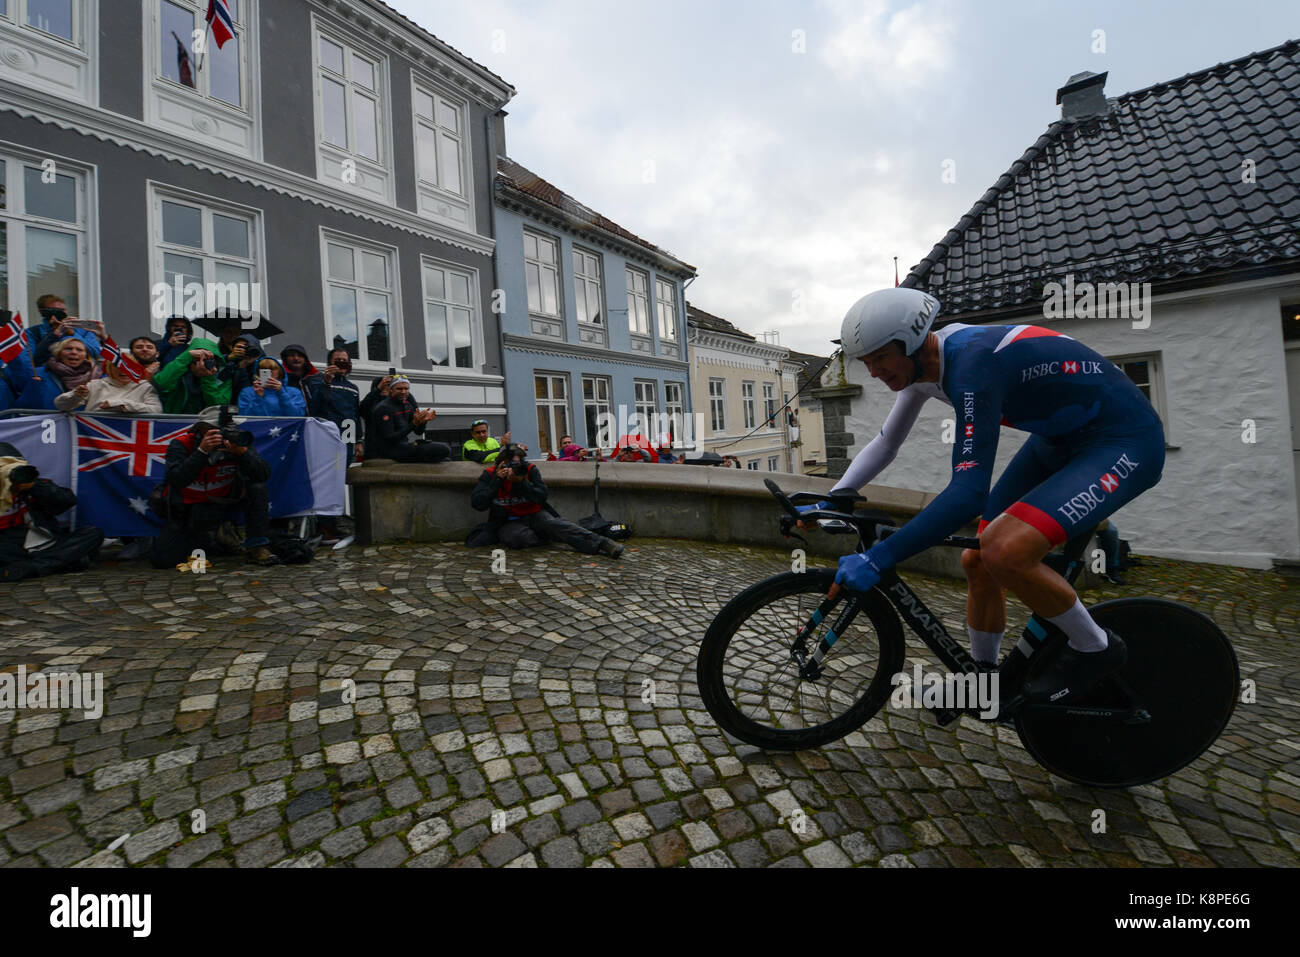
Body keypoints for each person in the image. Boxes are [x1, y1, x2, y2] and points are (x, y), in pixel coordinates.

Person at [809, 287, 1164, 702]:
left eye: (879, 358)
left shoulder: (973, 364)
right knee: (977, 559)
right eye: (866, 362)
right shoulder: (923, 368)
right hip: (1058, 442)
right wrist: (836, 495)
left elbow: (967, 494)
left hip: (1125, 442)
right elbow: (887, 444)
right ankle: (984, 682)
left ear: (911, 341)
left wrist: (878, 557)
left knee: (1004, 550)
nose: (873, 372)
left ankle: (1095, 648)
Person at [150, 408, 278, 568]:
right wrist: (202, 452)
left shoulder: (236, 443)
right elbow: (175, 480)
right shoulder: (182, 444)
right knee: (164, 560)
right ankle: (216, 537)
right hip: (190, 508)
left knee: (257, 488)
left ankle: (257, 547)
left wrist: (242, 453)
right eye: (217, 431)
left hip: (224, 501)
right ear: (202, 429)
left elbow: (262, 474)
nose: (224, 435)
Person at [470, 444, 622, 558]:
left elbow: (541, 496)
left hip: (534, 514)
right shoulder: (490, 475)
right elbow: (478, 503)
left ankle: (603, 543)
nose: (513, 468)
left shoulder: (529, 470)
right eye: (510, 464)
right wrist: (497, 480)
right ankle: (553, 536)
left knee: (555, 524)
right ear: (500, 464)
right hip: (507, 520)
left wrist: (521, 482)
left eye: (517, 464)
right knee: (517, 538)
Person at [0, 442, 104, 583]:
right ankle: (65, 562)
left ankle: (33, 567)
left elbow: (67, 500)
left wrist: (33, 486)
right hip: (8, 546)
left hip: (41, 541)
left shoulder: (30, 483)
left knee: (93, 533)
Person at [369, 375, 451, 463]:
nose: (403, 392)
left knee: (445, 456)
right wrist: (413, 424)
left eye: (406, 389)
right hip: (389, 450)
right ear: (391, 390)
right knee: (443, 449)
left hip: (403, 446)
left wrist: (423, 422)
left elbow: (418, 432)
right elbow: (389, 438)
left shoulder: (407, 405)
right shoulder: (384, 408)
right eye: (399, 389)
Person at [55, 354, 162, 414]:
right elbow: (60, 405)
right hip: (95, 439)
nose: (123, 371)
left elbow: (156, 410)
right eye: (118, 367)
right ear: (109, 369)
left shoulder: (144, 387)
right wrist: (75, 395)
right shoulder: (96, 385)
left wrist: (121, 404)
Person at [18, 336, 102, 410]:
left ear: (86, 356)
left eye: (79, 350)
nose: (74, 352)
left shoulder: (97, 376)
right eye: (68, 349)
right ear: (58, 353)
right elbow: (25, 408)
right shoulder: (39, 374)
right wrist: (33, 388)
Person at [152, 338, 226, 414]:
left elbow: (218, 406)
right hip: (174, 420)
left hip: (205, 422)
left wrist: (208, 378)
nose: (200, 363)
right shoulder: (177, 371)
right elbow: (160, 384)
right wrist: (186, 357)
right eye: (197, 359)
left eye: (206, 360)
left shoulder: (221, 377)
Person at [29, 294, 102, 359]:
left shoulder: (83, 330)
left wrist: (72, 334)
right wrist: (54, 335)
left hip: (82, 372)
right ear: (43, 312)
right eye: (55, 310)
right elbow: (34, 360)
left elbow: (95, 355)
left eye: (63, 310)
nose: (61, 313)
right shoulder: (33, 332)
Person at [237, 357, 306, 416]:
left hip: (287, 430)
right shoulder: (247, 392)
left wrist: (282, 393)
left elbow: (297, 415)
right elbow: (245, 417)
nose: (269, 372)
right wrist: (258, 397)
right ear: (258, 372)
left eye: (272, 369)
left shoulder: (293, 392)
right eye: (264, 370)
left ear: (280, 371)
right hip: (257, 430)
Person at [280, 344, 323, 410]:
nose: (296, 358)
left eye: (300, 356)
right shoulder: (280, 380)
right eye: (292, 355)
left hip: (315, 419)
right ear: (285, 359)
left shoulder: (317, 378)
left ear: (305, 359)